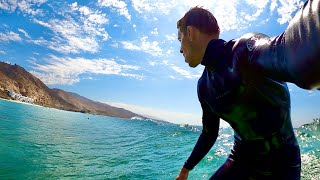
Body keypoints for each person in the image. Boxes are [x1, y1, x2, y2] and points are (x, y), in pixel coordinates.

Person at [175, 0, 319, 179]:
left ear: (190, 32)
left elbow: (288, 54)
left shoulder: (244, 50)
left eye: (180, 40)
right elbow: (208, 133)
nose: (180, 50)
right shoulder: (204, 86)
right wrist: (185, 169)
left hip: (282, 163)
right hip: (241, 159)